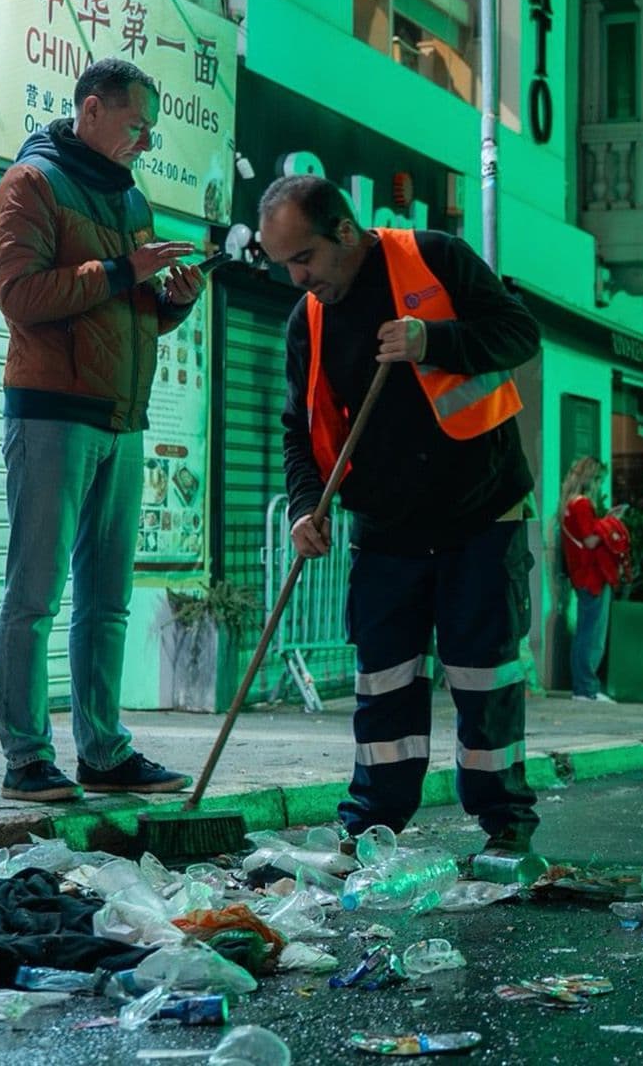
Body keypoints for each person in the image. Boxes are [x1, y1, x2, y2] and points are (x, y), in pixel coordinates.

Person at [260, 173, 543, 856]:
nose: (298, 277)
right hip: (387, 529)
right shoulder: (311, 321)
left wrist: (431, 340)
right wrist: (305, 506)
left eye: (305, 258)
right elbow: (299, 430)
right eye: (285, 264)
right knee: (383, 681)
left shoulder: (436, 258)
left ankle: (504, 823)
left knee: (484, 675)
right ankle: (373, 820)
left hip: (482, 514)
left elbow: (517, 333)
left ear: (346, 233)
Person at [0, 58, 204, 802]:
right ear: (91, 109)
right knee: (35, 596)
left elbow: (129, 306)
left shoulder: (130, 198)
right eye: (137, 125)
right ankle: (25, 759)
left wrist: (172, 301)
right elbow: (19, 294)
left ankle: (104, 750)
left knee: (107, 601)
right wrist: (122, 269)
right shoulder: (32, 184)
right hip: (51, 415)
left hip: (122, 418)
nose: (145, 141)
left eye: (150, 130)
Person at [558, 456, 623, 703]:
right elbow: (590, 540)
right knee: (592, 634)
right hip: (591, 575)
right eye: (599, 480)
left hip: (580, 575)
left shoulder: (569, 504)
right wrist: (611, 522)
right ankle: (586, 688)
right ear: (591, 479)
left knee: (585, 631)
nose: (600, 485)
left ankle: (583, 687)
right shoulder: (582, 504)